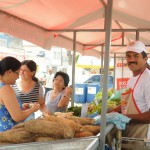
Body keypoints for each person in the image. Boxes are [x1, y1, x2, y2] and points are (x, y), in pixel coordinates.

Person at [109, 41, 150, 139]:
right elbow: (126, 103)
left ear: (145, 59)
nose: (131, 60)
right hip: (133, 132)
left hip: (144, 135)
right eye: (128, 56)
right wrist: (110, 113)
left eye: (136, 56)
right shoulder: (131, 79)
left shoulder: (148, 79)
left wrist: (124, 118)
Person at [0, 56, 40, 131]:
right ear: (9, 72)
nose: (18, 77)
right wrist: (33, 109)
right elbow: (18, 117)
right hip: (8, 134)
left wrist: (20, 106)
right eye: (17, 73)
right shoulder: (6, 89)